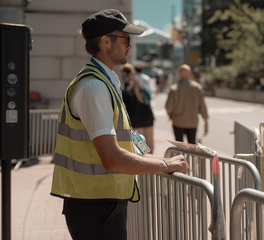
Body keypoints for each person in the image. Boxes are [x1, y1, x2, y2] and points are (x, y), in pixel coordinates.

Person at [50, 9, 188, 240]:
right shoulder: (93, 87)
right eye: (126, 39)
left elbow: (124, 146)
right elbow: (112, 158)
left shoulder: (103, 82)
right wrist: (165, 164)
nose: (130, 46)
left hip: (101, 204)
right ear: (105, 42)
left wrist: (159, 160)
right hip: (95, 208)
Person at [165, 64, 209, 144]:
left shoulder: (174, 89)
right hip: (193, 122)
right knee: (192, 145)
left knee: (179, 146)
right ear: (190, 74)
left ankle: (181, 157)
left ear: (179, 73)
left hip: (178, 121)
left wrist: (171, 115)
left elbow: (168, 107)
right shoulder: (197, 88)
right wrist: (206, 122)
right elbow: (203, 107)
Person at [121, 63, 155, 153]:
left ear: (124, 73)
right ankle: (154, 166)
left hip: (135, 120)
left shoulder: (125, 89)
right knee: (150, 148)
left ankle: (146, 167)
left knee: (141, 150)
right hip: (148, 118)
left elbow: (124, 107)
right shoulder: (142, 85)